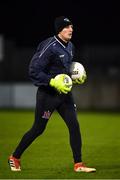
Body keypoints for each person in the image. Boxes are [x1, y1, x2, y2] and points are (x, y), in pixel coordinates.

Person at [8, 16, 96, 173]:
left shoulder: (70, 47)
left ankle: (79, 164)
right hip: (47, 95)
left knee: (74, 126)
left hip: (64, 95)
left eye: (72, 27)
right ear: (59, 30)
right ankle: (15, 157)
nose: (71, 29)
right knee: (38, 129)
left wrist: (75, 76)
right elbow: (33, 71)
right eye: (67, 27)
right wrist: (52, 81)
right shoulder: (50, 46)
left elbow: (65, 70)